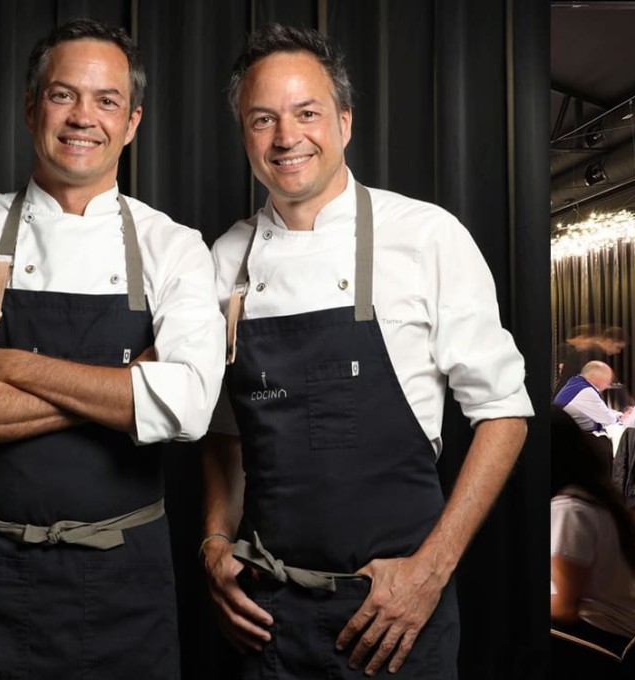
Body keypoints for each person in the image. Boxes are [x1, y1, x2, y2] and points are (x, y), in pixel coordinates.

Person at [0, 19, 225, 678]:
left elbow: (187, 410)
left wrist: (9, 365)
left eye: (106, 101)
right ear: (29, 108)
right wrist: (130, 390)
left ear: (131, 123)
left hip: (127, 582)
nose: (83, 118)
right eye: (62, 95)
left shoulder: (173, 246)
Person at [201, 25, 531, 678]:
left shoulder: (426, 237)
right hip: (266, 619)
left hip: (395, 618)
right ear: (244, 134)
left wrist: (430, 572)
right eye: (262, 119)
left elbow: (505, 414)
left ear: (345, 123)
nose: (286, 137)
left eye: (307, 113)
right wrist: (214, 538)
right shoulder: (224, 259)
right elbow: (227, 429)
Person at [550, 406, 635, 655]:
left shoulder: (570, 510)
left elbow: (565, 609)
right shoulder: (595, 496)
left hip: (602, 644)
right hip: (628, 631)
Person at [554, 360, 623, 435]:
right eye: (607, 379)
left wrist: (618, 415)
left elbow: (599, 412)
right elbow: (609, 420)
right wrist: (620, 417)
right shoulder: (586, 391)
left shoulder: (576, 383)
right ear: (595, 377)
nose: (609, 383)